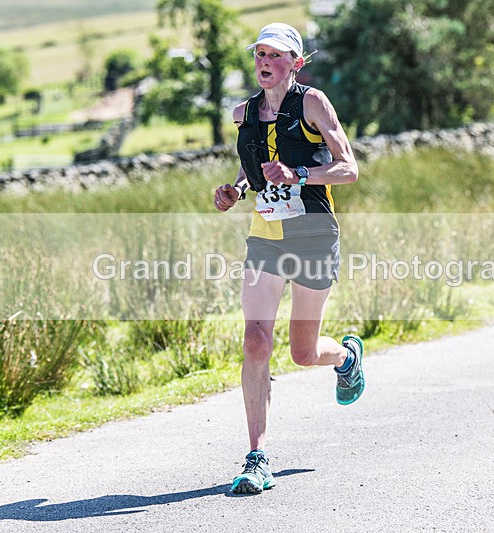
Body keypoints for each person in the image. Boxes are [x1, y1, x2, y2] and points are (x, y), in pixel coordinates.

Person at [213, 22, 365, 495]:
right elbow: (252, 161)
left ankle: (346, 356)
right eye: (260, 53)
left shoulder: (313, 103)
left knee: (303, 352)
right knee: (256, 340)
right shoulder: (244, 112)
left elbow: (349, 168)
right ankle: (256, 456)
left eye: (276, 55)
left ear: (295, 63)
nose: (265, 61)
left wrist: (299, 172)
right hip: (266, 234)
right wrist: (236, 188)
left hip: (313, 232)